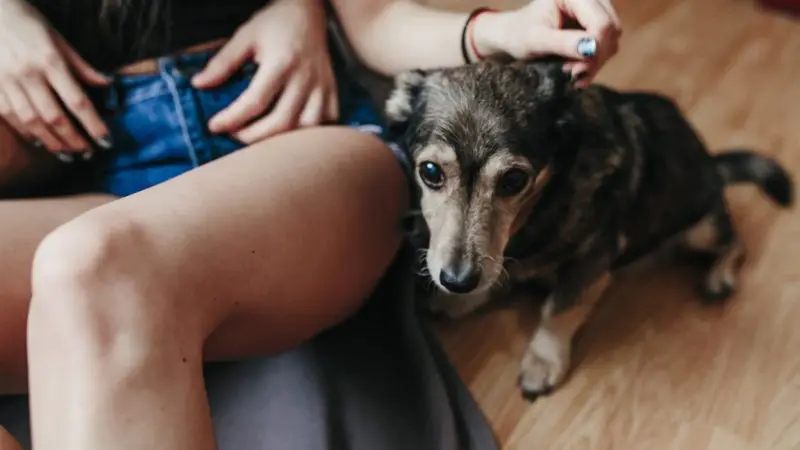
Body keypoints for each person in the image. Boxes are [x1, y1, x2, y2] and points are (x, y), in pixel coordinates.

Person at [0, 0, 621, 449]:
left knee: (92, 265)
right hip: (82, 159)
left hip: (290, 133)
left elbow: (376, 20)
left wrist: (505, 28)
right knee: (88, 261)